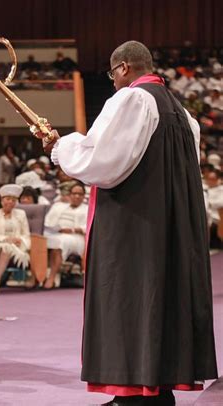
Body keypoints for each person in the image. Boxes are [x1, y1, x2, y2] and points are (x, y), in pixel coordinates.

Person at [42, 41, 217, 405]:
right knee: (162, 302)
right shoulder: (183, 114)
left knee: (129, 300)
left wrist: (61, 148)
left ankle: (132, 394)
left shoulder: (131, 100)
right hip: (170, 226)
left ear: (122, 68)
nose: (113, 82)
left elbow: (103, 162)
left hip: (133, 225)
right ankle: (156, 390)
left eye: (112, 74)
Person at [0, 184, 30, 294]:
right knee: (0, 248)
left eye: (13, 200)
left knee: (6, 249)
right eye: (8, 199)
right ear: (1, 200)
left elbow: (26, 234)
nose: (10, 202)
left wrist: (19, 240)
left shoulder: (21, 214)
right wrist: (7, 239)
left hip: (16, 246)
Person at [43, 182, 87, 289]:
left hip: (76, 237)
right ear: (70, 194)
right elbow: (48, 222)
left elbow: (88, 227)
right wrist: (57, 228)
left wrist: (72, 229)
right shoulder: (59, 206)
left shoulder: (87, 208)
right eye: (74, 193)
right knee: (39, 241)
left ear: (83, 196)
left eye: (80, 194)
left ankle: (51, 277)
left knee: (59, 242)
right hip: (56, 232)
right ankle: (37, 276)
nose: (77, 196)